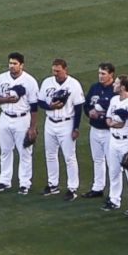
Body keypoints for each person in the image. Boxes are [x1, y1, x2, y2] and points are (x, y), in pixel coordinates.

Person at [36, 58, 85, 199]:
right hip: (50, 122)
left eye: (58, 71)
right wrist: (50, 107)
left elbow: (78, 107)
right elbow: (40, 102)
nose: (56, 73)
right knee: (50, 155)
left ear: (65, 69)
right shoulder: (47, 82)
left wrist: (76, 128)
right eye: (54, 71)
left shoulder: (74, 84)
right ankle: (52, 185)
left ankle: (72, 188)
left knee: (69, 157)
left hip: (66, 123)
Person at [0, 53, 40, 193]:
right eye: (10, 63)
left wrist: (33, 127)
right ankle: (4, 181)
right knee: (5, 150)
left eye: (15, 64)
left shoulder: (29, 81)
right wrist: (6, 100)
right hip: (5, 117)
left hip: (22, 118)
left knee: (24, 151)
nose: (12, 66)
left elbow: (34, 106)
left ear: (22, 65)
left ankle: (25, 183)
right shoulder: (2, 77)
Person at [102, 74, 128, 211]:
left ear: (123, 87)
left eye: (116, 83)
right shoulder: (114, 100)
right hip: (113, 140)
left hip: (127, 141)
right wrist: (114, 125)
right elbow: (108, 119)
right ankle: (114, 200)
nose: (113, 85)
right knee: (114, 171)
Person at [81, 63, 116, 198]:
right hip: (95, 129)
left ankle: (114, 192)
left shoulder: (115, 90)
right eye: (100, 73)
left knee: (111, 162)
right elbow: (87, 104)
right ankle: (97, 187)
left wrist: (101, 114)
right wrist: (90, 112)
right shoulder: (94, 87)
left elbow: (117, 111)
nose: (100, 76)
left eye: (103, 74)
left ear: (111, 74)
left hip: (109, 132)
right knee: (97, 159)